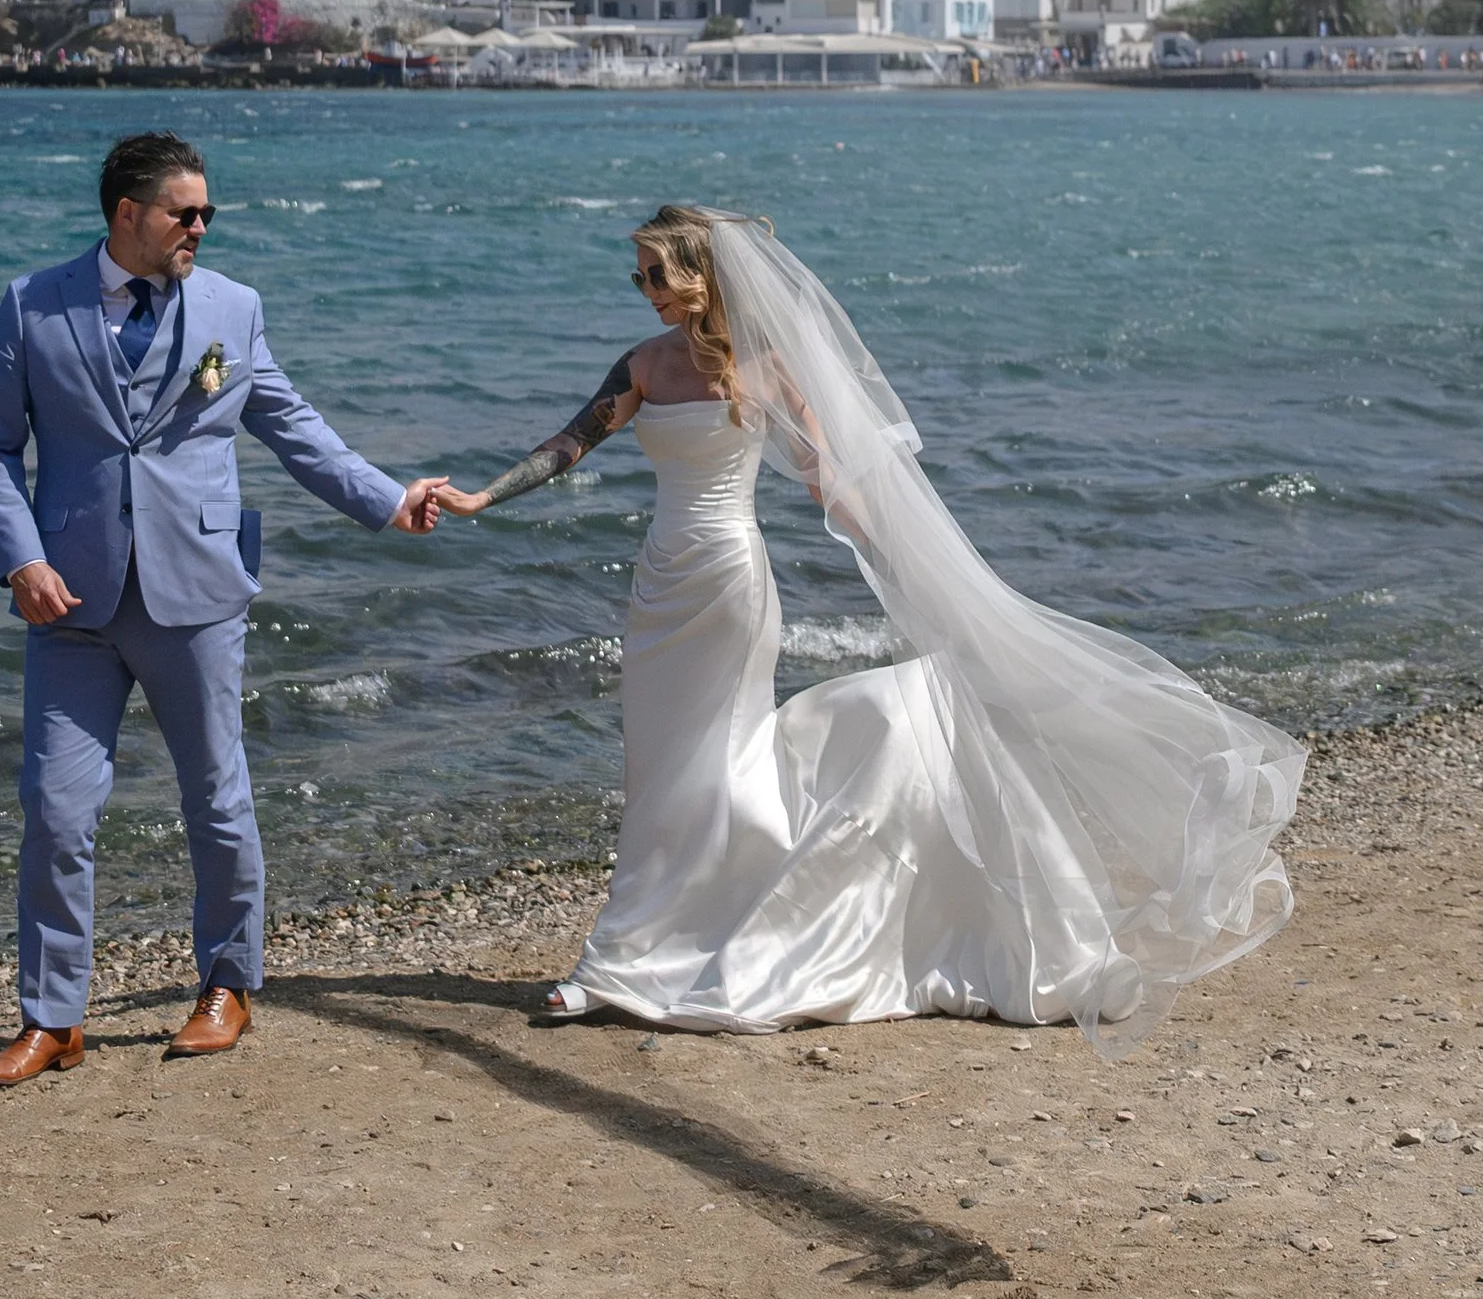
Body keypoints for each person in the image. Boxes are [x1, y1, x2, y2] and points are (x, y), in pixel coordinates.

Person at [431, 202, 1304, 1049]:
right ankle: (652, 944)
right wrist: (478, 497)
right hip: (659, 587)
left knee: (713, 761)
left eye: (656, 273)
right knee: (659, 767)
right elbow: (568, 445)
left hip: (732, 583)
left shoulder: (766, 371)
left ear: (700, 275)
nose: (644, 287)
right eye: (638, 275)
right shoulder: (643, 366)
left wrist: (918, 566)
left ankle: (615, 962)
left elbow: (832, 479)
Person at [0, 129, 444, 1086]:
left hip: (200, 594)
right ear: (127, 214)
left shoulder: (233, 307)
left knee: (216, 801)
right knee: (55, 811)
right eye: (186, 212)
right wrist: (19, 560)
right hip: (73, 603)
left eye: (207, 214)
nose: (201, 227)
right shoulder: (32, 304)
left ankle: (228, 986)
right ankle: (53, 1019)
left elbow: (293, 426)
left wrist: (387, 499)